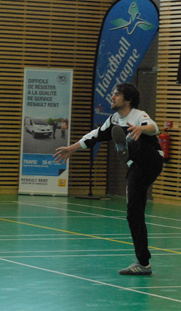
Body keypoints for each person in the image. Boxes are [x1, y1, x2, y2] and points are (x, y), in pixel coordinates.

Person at [54, 83, 163, 275]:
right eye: (113, 94)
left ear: (128, 100)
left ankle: (126, 147)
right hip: (136, 169)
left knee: (133, 140)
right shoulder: (113, 120)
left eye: (117, 94)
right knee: (133, 213)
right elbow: (94, 136)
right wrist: (71, 149)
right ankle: (143, 263)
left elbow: (155, 128)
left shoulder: (138, 115)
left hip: (152, 159)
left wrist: (141, 128)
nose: (112, 97)